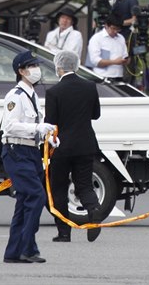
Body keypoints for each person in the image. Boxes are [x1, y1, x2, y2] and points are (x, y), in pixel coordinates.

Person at [1, 51, 56, 263]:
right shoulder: (15, 95)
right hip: (16, 151)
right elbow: (10, 126)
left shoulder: (32, 94)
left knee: (25, 200)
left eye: (36, 65)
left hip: (30, 151)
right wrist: (37, 127)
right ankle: (26, 247)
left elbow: (32, 127)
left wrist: (47, 136)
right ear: (21, 71)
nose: (36, 70)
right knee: (36, 196)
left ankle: (15, 252)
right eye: (31, 66)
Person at [44, 51, 103, 243]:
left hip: (62, 146)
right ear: (76, 65)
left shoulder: (54, 92)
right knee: (84, 184)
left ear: (59, 67)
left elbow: (50, 122)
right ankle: (93, 211)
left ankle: (64, 232)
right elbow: (96, 115)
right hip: (85, 143)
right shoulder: (89, 87)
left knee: (58, 187)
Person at [87, 13, 129, 81]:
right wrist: (114, 62)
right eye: (113, 29)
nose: (115, 31)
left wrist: (126, 60)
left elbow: (125, 55)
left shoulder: (121, 38)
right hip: (102, 77)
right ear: (106, 26)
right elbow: (95, 61)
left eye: (118, 29)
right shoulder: (97, 38)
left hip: (119, 76)